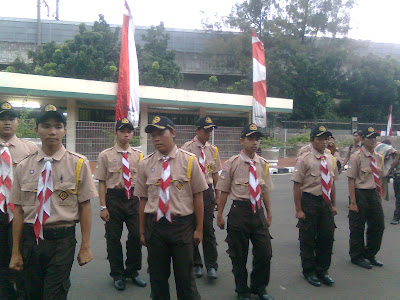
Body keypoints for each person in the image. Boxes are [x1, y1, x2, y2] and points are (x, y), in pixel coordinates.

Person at [9, 104, 98, 299]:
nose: (52, 132)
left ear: (65, 130)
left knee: (54, 293)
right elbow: (18, 211)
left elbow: (85, 207)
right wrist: (16, 252)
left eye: (58, 126)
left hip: (62, 240)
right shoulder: (24, 166)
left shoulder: (79, 163)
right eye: (46, 126)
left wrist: (86, 246)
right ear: (36, 130)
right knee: (32, 292)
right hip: (31, 240)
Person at [134, 116, 208, 300]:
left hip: (181, 226)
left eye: (161, 133)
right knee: (158, 279)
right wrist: (142, 231)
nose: (156, 138)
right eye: (153, 135)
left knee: (185, 278)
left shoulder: (189, 161)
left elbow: (198, 196)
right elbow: (143, 201)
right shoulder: (145, 164)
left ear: (173, 133)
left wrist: (199, 229)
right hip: (155, 227)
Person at [216, 123, 273, 300]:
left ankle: (259, 287)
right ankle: (242, 290)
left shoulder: (263, 164)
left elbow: (264, 191)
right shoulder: (231, 164)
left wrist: (269, 213)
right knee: (238, 254)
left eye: (257, 139)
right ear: (242, 140)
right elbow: (224, 191)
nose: (254, 143)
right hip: (238, 212)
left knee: (265, 253)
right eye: (250, 138)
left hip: (258, 212)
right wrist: (219, 215)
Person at [94, 118, 147, 291]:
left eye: (129, 131)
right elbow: (101, 181)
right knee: (113, 238)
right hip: (113, 198)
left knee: (135, 236)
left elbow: (143, 181)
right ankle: (117, 274)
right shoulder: (105, 155)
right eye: (123, 131)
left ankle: (133, 271)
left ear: (132, 133)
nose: (126, 134)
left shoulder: (139, 156)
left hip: (132, 198)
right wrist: (103, 206)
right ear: (116, 133)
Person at [291, 125, 338, 287]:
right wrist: (298, 209)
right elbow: (297, 185)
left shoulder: (331, 158)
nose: (324, 142)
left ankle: (323, 270)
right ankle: (309, 271)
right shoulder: (304, 159)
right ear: (312, 141)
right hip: (309, 201)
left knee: (327, 237)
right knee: (308, 238)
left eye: (326, 138)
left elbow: (332, 183)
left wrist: (333, 205)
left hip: (325, 203)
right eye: (320, 139)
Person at [0, 102, 38, 299]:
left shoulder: (29, 148)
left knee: (23, 256)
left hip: (21, 211)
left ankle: (24, 292)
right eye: (3, 118)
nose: (7, 122)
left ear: (17, 122)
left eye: (11, 118)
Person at [181, 116, 221, 279]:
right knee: (191, 228)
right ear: (197, 130)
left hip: (207, 192)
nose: (209, 133)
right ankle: (196, 263)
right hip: (190, 193)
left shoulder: (213, 150)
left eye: (211, 130)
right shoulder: (186, 149)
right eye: (206, 130)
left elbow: (215, 174)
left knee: (208, 230)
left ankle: (211, 265)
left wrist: (217, 196)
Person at [346, 126, 385, 269]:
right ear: (363, 140)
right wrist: (353, 202)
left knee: (378, 225)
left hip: (373, 193)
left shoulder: (377, 156)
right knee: (357, 227)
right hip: (359, 193)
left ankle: (370, 254)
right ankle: (357, 256)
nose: (373, 140)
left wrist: (380, 195)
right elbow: (351, 179)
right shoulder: (356, 156)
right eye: (370, 137)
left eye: (375, 137)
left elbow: (378, 178)